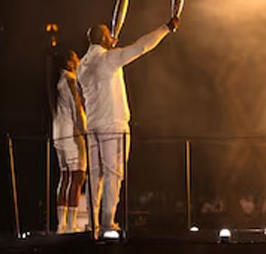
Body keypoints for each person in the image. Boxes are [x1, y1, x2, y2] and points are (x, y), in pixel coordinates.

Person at [77, 17, 179, 236]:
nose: (113, 35)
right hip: (112, 124)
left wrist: (112, 49)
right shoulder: (109, 60)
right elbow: (141, 46)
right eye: (108, 33)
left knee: (95, 176)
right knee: (114, 174)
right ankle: (107, 223)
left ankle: (92, 224)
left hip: (92, 125)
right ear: (104, 38)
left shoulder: (82, 66)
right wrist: (165, 28)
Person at [51, 49, 87, 234]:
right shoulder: (71, 80)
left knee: (65, 176)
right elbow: (77, 108)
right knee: (77, 176)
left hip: (59, 133)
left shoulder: (59, 81)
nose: (79, 60)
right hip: (72, 134)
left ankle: (61, 225)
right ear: (70, 63)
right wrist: (85, 130)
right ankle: (71, 226)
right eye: (76, 58)